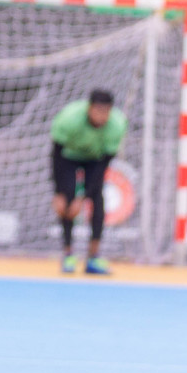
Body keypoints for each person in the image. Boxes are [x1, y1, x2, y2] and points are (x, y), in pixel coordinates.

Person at [50, 88, 126, 276]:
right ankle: (68, 253)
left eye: (105, 112)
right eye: (97, 111)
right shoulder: (69, 119)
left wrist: (83, 197)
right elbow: (56, 155)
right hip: (68, 157)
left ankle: (94, 257)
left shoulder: (117, 124)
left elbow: (103, 166)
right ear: (89, 109)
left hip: (96, 160)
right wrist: (58, 192)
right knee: (67, 200)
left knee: (97, 200)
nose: (101, 117)